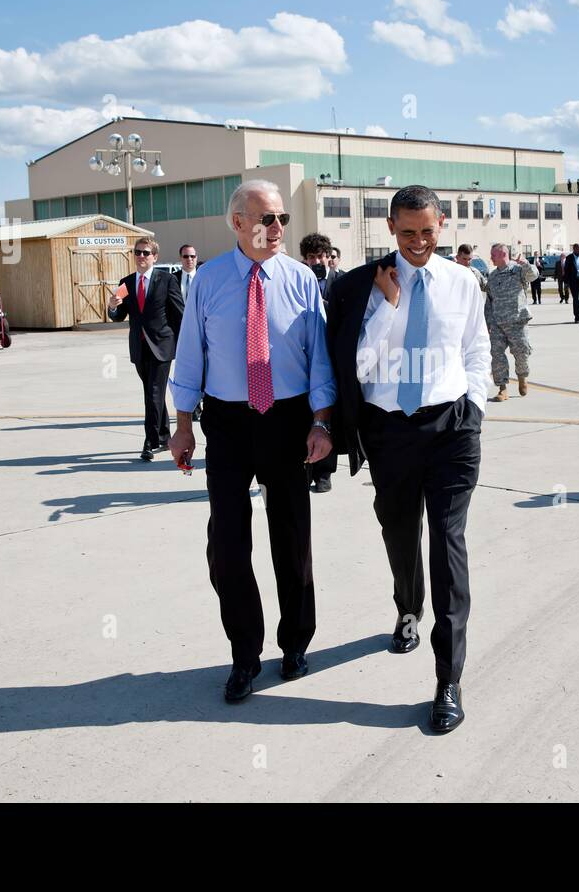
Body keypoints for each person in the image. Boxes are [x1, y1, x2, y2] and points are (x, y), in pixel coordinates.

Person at [326, 184, 489, 734]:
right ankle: (406, 608)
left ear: (441, 225)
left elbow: (475, 348)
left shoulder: (464, 282)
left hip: (451, 428)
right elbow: (359, 364)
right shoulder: (366, 287)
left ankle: (448, 679)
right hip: (390, 431)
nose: (419, 241)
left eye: (428, 230)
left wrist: (477, 404)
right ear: (391, 229)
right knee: (399, 532)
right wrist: (387, 309)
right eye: (407, 232)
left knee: (447, 542)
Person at [168, 179, 334, 702]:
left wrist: (321, 421)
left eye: (282, 218)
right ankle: (244, 654)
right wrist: (181, 424)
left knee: (292, 539)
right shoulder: (209, 281)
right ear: (238, 222)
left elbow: (320, 359)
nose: (278, 228)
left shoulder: (301, 279)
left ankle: (295, 644)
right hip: (229, 422)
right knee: (229, 546)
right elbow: (190, 355)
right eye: (267, 219)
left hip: (287, 420)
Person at [107, 237, 185, 462]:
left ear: (155, 257)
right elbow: (118, 316)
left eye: (146, 253)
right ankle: (163, 435)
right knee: (153, 394)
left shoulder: (167, 280)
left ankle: (149, 442)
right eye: (138, 252)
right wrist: (112, 307)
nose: (141, 256)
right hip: (139, 348)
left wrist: (187, 345)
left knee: (153, 393)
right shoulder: (126, 283)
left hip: (162, 346)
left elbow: (179, 314)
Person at [299, 232, 340, 493]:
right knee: (306, 418)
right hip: (305, 359)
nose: (317, 260)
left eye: (320, 256)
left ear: (328, 256)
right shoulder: (298, 281)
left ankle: (325, 473)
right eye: (311, 256)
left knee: (327, 416)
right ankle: (306, 467)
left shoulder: (342, 281)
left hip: (332, 358)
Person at [483, 243, 536, 402]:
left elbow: (533, 275)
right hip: (498, 323)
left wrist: (525, 263)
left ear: (503, 255)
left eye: (494, 255)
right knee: (496, 355)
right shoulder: (492, 276)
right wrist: (487, 324)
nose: (491, 257)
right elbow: (489, 302)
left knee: (521, 353)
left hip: (517, 321)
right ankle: (502, 388)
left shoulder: (518, 270)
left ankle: (522, 378)